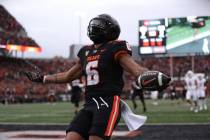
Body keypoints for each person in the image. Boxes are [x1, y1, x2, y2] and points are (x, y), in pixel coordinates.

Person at [24, 14, 170, 140]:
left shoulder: (116, 47)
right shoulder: (86, 51)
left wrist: (148, 75)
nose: (94, 27)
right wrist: (43, 78)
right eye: (94, 25)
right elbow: (69, 75)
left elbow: (135, 68)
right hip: (89, 104)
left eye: (99, 25)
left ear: (110, 30)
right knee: (71, 137)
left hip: (108, 103)